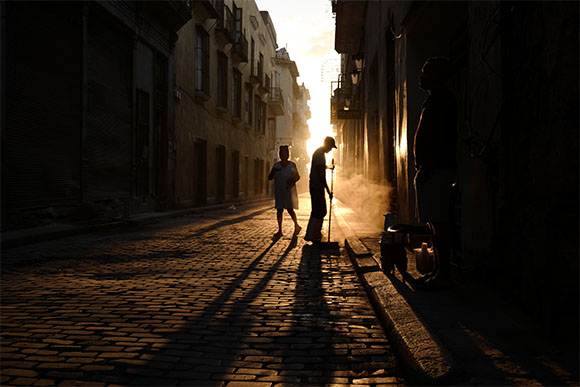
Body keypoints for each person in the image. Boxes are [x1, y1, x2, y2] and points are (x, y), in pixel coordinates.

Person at [413, 56, 457, 288]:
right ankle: (439, 270)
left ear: (438, 76)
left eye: (426, 72)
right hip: (431, 169)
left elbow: (439, 139)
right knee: (433, 223)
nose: (421, 76)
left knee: (439, 223)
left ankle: (443, 274)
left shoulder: (442, 101)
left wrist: (427, 167)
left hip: (436, 170)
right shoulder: (434, 100)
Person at [305, 136, 336, 243]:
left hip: (316, 186)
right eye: (331, 147)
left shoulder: (319, 153)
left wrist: (328, 167)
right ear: (326, 144)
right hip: (317, 186)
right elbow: (321, 173)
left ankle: (314, 233)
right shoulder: (319, 154)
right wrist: (328, 191)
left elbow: (321, 167)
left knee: (319, 211)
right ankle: (313, 234)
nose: (331, 150)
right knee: (320, 211)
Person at [268, 145, 301, 237]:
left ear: (288, 155)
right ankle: (280, 230)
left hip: (289, 191)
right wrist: (274, 171)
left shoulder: (292, 165)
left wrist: (291, 180)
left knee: (290, 210)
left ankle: (296, 226)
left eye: (285, 153)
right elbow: (269, 177)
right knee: (279, 210)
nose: (283, 155)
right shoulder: (276, 166)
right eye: (281, 153)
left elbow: (297, 177)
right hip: (279, 191)